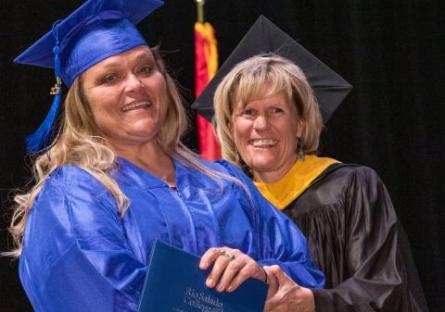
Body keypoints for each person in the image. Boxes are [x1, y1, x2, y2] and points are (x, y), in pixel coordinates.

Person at [6, 1, 324, 311]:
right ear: (81, 104)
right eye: (109, 78)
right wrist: (244, 299)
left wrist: (262, 277)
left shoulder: (225, 182)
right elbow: (110, 296)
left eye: (146, 68)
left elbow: (305, 272)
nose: (135, 85)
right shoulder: (73, 193)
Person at [213, 53, 428, 311]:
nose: (261, 125)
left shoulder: (351, 187)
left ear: (300, 124)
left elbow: (384, 287)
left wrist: (314, 302)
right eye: (248, 112)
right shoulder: (223, 207)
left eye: (276, 111)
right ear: (230, 126)